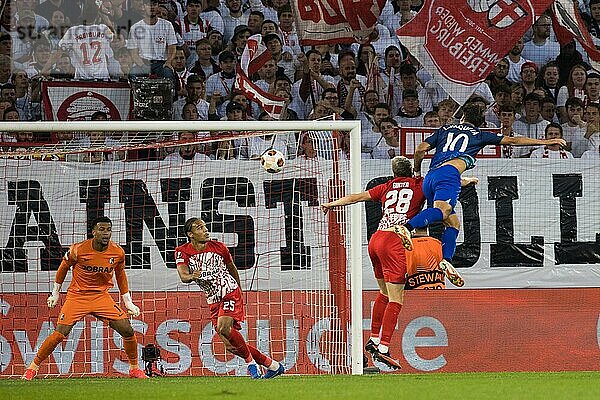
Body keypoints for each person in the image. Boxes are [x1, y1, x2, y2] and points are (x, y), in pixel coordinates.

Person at [396, 102, 567, 286]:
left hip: (431, 178)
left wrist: (416, 172)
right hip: (448, 176)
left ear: (462, 117)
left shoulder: (444, 129)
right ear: (481, 123)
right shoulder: (479, 135)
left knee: (453, 223)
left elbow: (420, 149)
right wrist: (546, 142)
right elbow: (513, 141)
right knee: (444, 212)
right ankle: (407, 227)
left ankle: (445, 261)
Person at [320, 156, 424, 370]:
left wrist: (332, 204)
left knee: (384, 293)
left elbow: (356, 197)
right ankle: (383, 349)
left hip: (376, 240)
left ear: (394, 173)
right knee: (397, 297)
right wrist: (466, 180)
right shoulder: (419, 184)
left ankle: (374, 339)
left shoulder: (386, 187)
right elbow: (446, 182)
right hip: (395, 240)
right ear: (411, 171)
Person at [22, 217, 146, 380]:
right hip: (77, 297)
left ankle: (134, 369)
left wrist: (128, 301)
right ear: (93, 232)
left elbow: (121, 275)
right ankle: (32, 368)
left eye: (108, 229)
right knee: (60, 334)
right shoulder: (78, 250)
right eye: (101, 229)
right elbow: (63, 267)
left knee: (128, 330)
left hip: (101, 297)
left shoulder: (117, 252)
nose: (106, 233)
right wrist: (55, 293)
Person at [174, 218, 285, 379]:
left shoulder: (219, 247)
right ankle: (273, 366)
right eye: (199, 228)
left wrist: (238, 290)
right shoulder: (182, 251)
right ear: (190, 234)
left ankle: (251, 364)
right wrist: (192, 276)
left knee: (223, 328)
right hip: (212, 298)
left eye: (205, 226)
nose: (205, 230)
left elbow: (231, 268)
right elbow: (183, 276)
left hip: (228, 290)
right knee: (230, 346)